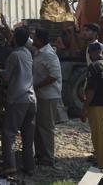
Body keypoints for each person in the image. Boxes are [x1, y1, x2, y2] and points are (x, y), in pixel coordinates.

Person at [0, 26, 37, 176]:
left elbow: (6, 77)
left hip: (18, 98)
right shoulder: (28, 54)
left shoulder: (14, 55)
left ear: (15, 38)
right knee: (27, 136)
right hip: (31, 98)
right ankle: (29, 166)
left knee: (8, 133)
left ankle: (10, 166)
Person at [31, 28, 63, 167]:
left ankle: (48, 157)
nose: (32, 40)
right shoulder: (39, 52)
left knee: (46, 127)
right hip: (41, 95)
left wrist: (37, 85)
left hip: (48, 95)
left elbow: (54, 75)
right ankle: (40, 153)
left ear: (39, 40)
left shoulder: (49, 54)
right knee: (38, 126)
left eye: (34, 37)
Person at [81, 42, 103, 168]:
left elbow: (91, 90)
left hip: (97, 105)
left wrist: (84, 108)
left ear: (91, 53)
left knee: (99, 136)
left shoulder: (93, 67)